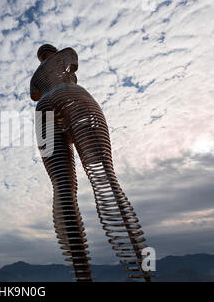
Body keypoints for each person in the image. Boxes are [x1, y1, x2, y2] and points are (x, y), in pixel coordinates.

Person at [31, 44, 151, 282]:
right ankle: (140, 274)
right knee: (103, 174)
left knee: (62, 187)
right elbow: (73, 68)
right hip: (71, 94)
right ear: (52, 50)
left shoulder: (35, 78)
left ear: (38, 56)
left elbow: (35, 94)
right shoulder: (65, 54)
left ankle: (82, 276)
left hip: (43, 106)